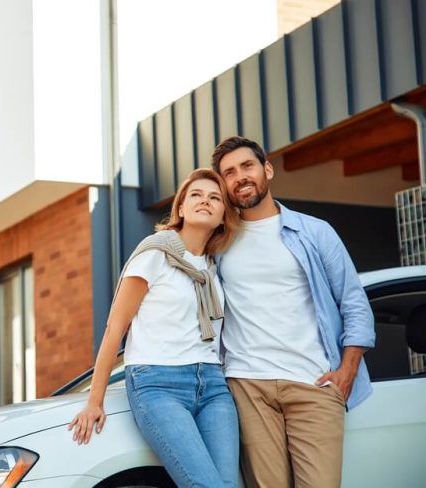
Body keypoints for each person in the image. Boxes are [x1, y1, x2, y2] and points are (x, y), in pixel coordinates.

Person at [211, 136, 376, 488]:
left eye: (247, 166)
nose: (240, 176)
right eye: (229, 172)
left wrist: (347, 371)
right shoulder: (217, 243)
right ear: (223, 184)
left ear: (266, 169)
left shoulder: (315, 232)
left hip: (313, 383)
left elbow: (354, 303)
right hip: (247, 384)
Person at [68, 168, 241, 488]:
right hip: (159, 385)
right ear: (180, 208)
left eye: (215, 198)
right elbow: (114, 328)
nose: (206, 201)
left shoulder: (214, 268)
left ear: (222, 216)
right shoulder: (154, 254)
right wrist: (95, 400)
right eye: (196, 195)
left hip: (213, 386)